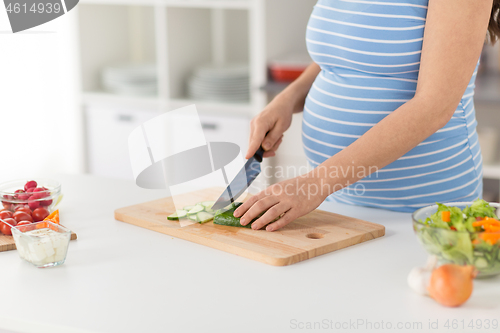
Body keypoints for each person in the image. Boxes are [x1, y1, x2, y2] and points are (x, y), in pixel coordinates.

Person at [233, 0, 500, 231]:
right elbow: (344, 54)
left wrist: (314, 184)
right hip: (338, 198)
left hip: (424, 209)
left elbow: (434, 108)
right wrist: (286, 99)